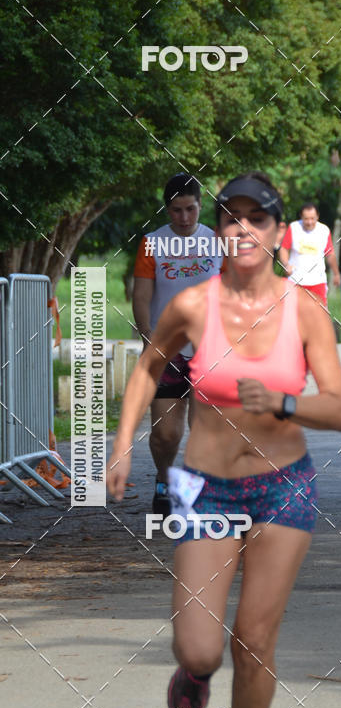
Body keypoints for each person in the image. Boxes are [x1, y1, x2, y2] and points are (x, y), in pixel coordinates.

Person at [107, 172, 341, 708]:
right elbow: (147, 369)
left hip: (285, 487)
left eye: (257, 218)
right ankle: (192, 675)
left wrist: (283, 400)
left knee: (255, 638)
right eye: (231, 217)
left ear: (277, 233)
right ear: (219, 230)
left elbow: (340, 409)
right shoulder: (192, 304)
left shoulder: (303, 310)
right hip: (205, 488)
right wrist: (122, 445)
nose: (243, 228)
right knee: (201, 648)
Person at [132, 173, 222, 516]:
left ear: (201, 206)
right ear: (166, 209)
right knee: (166, 435)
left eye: (190, 209)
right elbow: (141, 296)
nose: (184, 218)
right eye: (175, 210)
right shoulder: (151, 243)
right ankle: (163, 478)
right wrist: (146, 337)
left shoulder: (217, 242)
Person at [277, 202, 341, 306]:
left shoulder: (324, 230)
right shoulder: (294, 227)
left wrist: (336, 273)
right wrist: (286, 264)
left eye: (312, 218)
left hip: (317, 281)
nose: (310, 222)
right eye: (306, 219)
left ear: (317, 216)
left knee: (320, 316)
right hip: (295, 280)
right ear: (301, 217)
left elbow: (330, 254)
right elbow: (283, 248)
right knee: (293, 316)